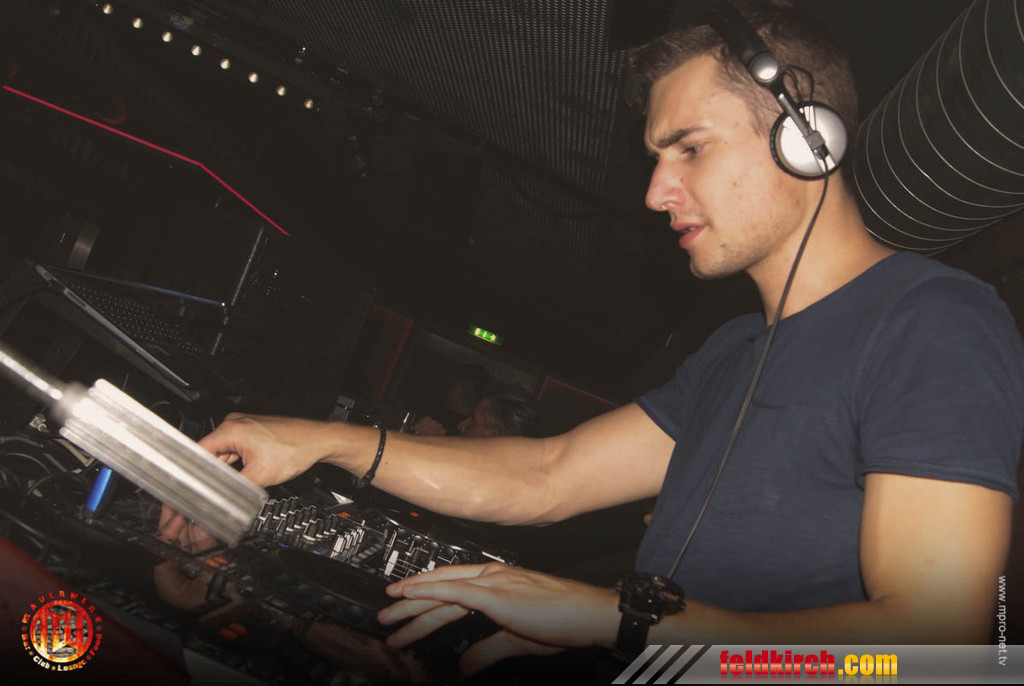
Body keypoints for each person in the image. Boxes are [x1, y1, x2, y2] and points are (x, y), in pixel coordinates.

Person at [176, 0, 1023, 677]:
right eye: (656, 157)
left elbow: (932, 651)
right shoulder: (730, 354)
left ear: (806, 142)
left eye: (688, 148)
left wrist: (617, 622)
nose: (656, 192)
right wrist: (315, 441)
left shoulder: (931, 321)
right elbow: (547, 475)